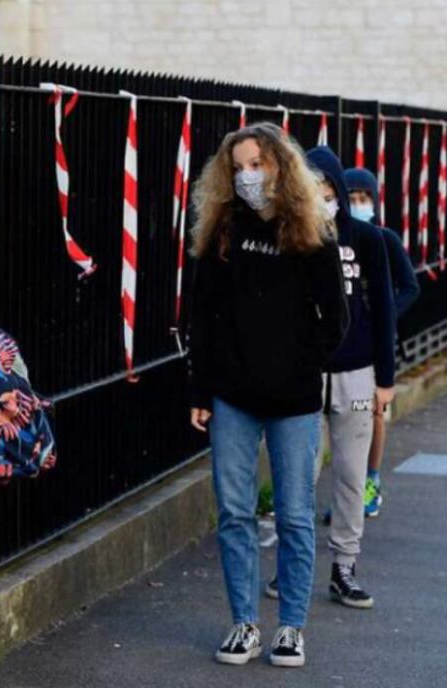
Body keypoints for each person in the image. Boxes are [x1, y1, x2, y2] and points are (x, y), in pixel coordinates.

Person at [187, 123, 348, 669]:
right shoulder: (223, 228)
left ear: (280, 165)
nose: (247, 175)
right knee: (233, 512)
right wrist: (202, 387)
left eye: (256, 164)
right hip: (232, 396)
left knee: (295, 515)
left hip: (294, 400)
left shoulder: (310, 230)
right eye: (238, 166)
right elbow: (202, 315)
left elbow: (337, 320)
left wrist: (300, 369)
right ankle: (244, 623)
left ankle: (292, 628)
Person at [297, 148, 396, 612]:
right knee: (300, 471)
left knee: (352, 474)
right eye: (314, 190)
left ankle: (344, 566)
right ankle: (292, 564)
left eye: (330, 190)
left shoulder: (369, 239)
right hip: (304, 374)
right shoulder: (293, 237)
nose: (326, 198)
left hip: (357, 376)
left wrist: (385, 379)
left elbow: (385, 312)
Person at [344, 166, 420, 517]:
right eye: (352, 198)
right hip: (345, 348)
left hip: (378, 349)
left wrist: (385, 316)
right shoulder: (339, 241)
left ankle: (371, 482)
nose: (358, 204)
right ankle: (349, 493)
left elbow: (410, 286)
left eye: (364, 198)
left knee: (372, 413)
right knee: (344, 420)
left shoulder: (385, 239)